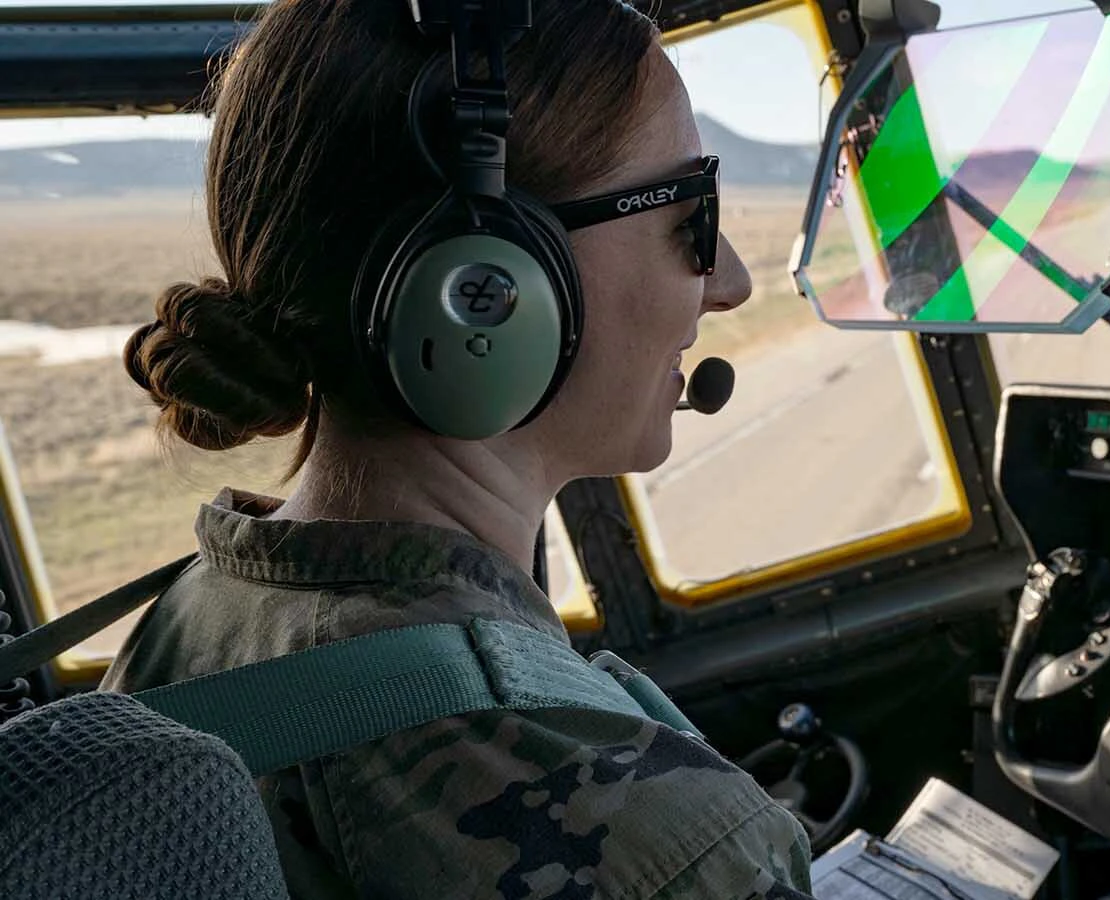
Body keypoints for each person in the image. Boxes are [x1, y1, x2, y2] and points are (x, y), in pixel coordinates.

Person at [99, 1, 815, 897]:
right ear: (482, 286)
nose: (735, 284)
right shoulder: (666, 849)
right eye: (690, 217)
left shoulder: (191, 617)